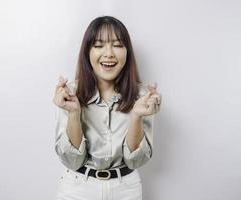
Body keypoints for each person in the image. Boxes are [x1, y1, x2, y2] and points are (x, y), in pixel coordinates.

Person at [52, 16, 162, 200]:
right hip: (78, 189)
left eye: (118, 45)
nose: (109, 53)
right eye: (99, 45)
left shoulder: (143, 97)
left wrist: (136, 116)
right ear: (87, 51)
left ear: (127, 52)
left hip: (125, 189)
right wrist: (74, 113)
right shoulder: (69, 93)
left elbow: (136, 160)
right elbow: (72, 160)